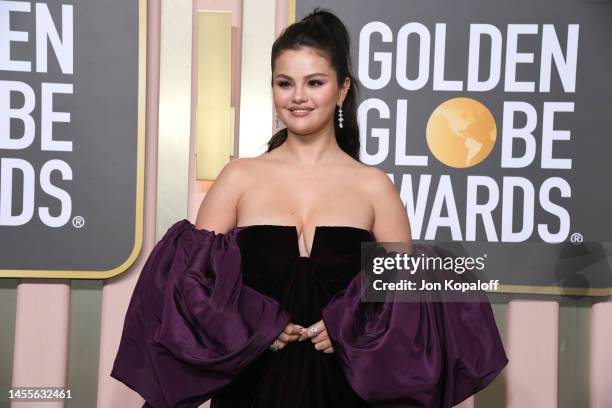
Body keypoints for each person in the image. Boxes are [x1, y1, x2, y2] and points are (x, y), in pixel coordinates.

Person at [111, 8, 508, 408]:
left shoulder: (374, 187)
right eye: (285, 83)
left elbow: (404, 307)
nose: (298, 97)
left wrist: (346, 327)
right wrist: (257, 324)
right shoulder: (238, 178)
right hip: (250, 390)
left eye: (314, 82)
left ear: (342, 90)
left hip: (345, 391)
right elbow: (194, 291)